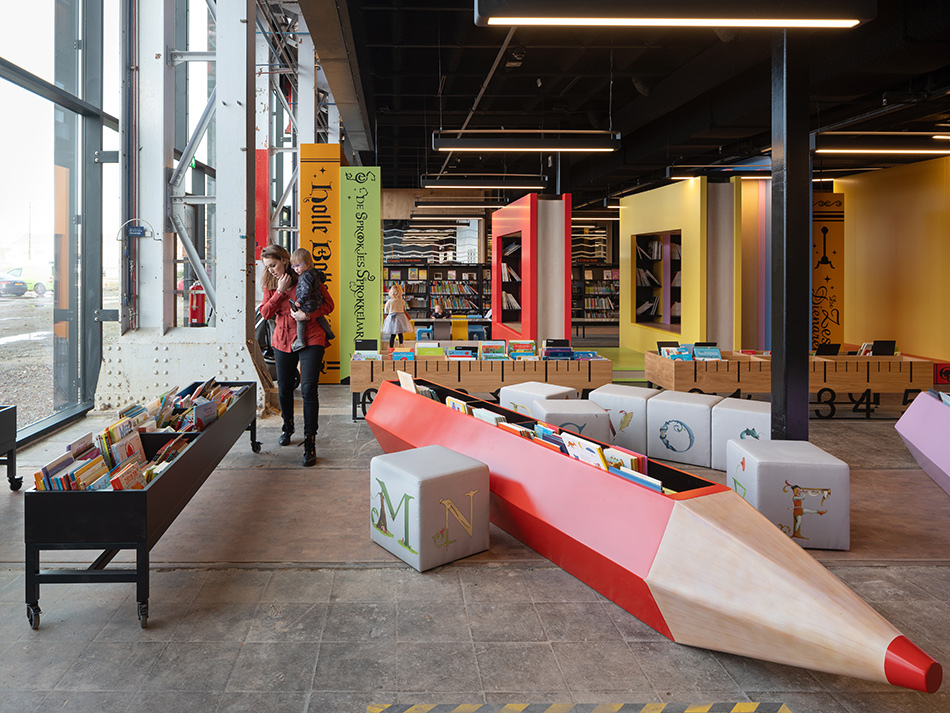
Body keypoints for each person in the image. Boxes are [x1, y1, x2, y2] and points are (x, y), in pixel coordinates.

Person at [258, 244, 334, 467]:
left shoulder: (306, 276)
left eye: (273, 265)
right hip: (283, 340)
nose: (271, 269)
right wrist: (279, 291)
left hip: (311, 336)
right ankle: (287, 426)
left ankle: (310, 441)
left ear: (284, 260)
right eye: (267, 266)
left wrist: (309, 313)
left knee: (309, 388)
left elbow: (329, 305)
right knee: (284, 388)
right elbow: (264, 312)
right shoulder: (270, 282)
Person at [289, 248, 335, 351]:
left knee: (300, 320)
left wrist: (300, 301)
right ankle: (329, 332)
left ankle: (300, 340)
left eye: (298, 266)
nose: (296, 269)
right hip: (317, 301)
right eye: (294, 266)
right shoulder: (314, 272)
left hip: (308, 303)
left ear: (308, 263)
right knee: (320, 317)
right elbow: (322, 277)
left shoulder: (304, 276)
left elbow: (306, 291)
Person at [382, 284, 412, 349]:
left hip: (392, 318)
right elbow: (404, 309)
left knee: (392, 334)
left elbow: (386, 311)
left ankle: (391, 347)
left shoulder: (389, 301)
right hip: (401, 318)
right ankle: (401, 345)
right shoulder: (402, 301)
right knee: (400, 333)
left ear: (391, 293)